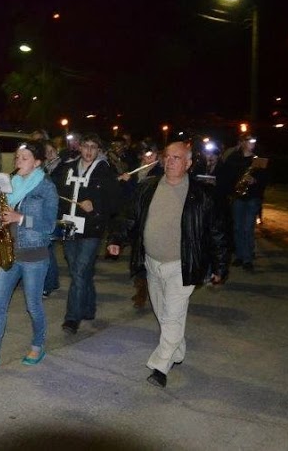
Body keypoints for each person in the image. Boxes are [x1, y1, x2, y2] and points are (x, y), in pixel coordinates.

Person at [106, 140, 228, 389]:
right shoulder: (148, 187)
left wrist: (220, 266)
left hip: (182, 266)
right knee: (163, 313)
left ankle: (160, 366)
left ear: (189, 163)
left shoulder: (201, 195)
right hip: (152, 263)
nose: (170, 162)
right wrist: (117, 239)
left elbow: (217, 232)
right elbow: (129, 217)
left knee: (172, 315)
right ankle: (177, 351)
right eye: (167, 157)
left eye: (177, 158)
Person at [0, 140, 59, 368]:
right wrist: (3, 218)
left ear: (37, 162)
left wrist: (20, 218)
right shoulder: (13, 183)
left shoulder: (46, 187)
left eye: (24, 157)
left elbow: (50, 225)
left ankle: (37, 346)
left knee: (33, 305)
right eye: (18, 157)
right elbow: (5, 214)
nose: (19, 161)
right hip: (10, 252)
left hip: (34, 255)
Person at [53, 133, 121, 334]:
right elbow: (56, 192)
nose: (89, 151)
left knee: (80, 272)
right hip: (68, 225)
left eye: (94, 147)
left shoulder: (105, 171)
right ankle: (89, 308)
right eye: (86, 146)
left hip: (92, 228)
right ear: (79, 147)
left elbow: (114, 204)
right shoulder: (67, 168)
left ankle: (72, 318)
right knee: (79, 271)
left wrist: (95, 207)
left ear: (99, 150)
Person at [116, 142, 163, 308]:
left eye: (151, 154)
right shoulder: (137, 170)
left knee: (151, 254)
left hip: (153, 218)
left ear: (157, 155)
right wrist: (124, 182)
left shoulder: (160, 172)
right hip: (137, 218)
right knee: (138, 254)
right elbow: (130, 198)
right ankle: (141, 289)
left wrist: (130, 183)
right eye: (145, 154)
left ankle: (153, 289)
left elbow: (145, 194)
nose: (148, 158)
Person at [221, 132, 269, 272]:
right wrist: (234, 185)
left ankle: (247, 258)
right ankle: (239, 256)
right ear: (242, 142)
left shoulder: (259, 159)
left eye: (254, 141)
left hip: (253, 198)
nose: (253, 143)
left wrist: (256, 181)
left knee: (248, 228)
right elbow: (226, 175)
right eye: (250, 140)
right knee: (237, 227)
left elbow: (266, 178)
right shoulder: (234, 158)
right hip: (238, 197)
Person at [42, 141, 63, 297]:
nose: (49, 154)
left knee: (47, 247)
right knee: (48, 248)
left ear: (57, 151)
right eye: (46, 152)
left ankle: (48, 284)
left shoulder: (62, 167)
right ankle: (52, 281)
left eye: (52, 151)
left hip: (56, 210)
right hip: (45, 209)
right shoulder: (44, 167)